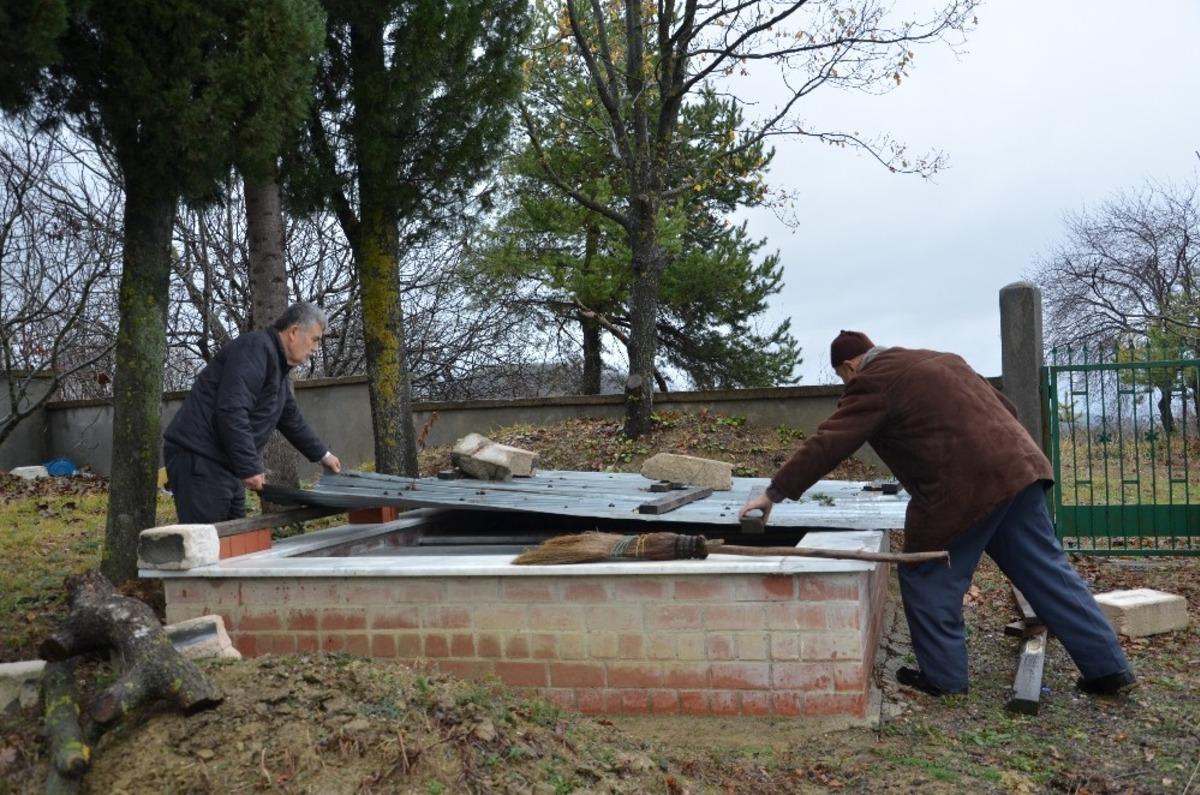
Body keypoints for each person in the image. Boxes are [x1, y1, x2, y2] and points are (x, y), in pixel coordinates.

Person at [738, 330, 1135, 697]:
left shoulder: (872, 381)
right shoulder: (943, 360)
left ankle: (943, 679)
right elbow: (1006, 407)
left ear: (849, 367)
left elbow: (830, 442)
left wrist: (774, 493)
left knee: (926, 572)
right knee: (1049, 573)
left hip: (962, 489)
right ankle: (1108, 669)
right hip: (1020, 470)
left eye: (845, 380)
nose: (847, 387)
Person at [163, 302, 342, 523]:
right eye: (315, 339)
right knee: (208, 544)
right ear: (294, 332)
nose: (315, 349)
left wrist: (323, 456)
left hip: (225, 464)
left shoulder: (277, 367)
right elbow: (232, 409)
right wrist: (249, 466)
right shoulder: (255, 350)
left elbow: (291, 419)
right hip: (200, 459)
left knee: (236, 543)